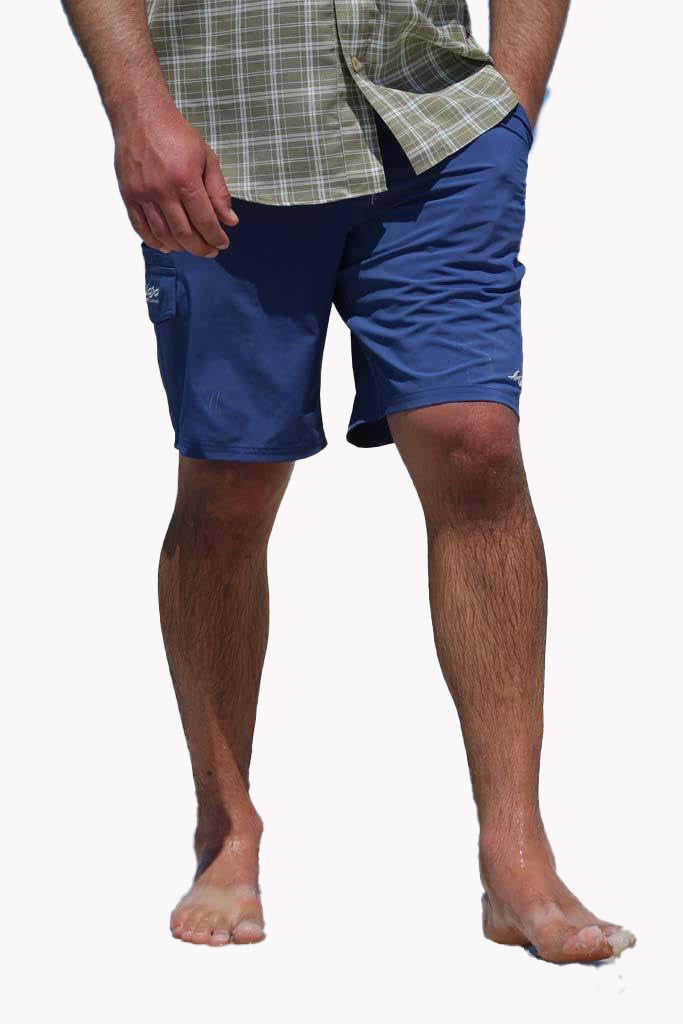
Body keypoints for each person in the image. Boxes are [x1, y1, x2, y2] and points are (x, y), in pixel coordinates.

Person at [62, 0, 635, 963]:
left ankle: (515, 854)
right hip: (223, 139)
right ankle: (225, 827)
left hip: (437, 128)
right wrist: (136, 112)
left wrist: (512, 107)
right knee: (232, 482)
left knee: (476, 445)